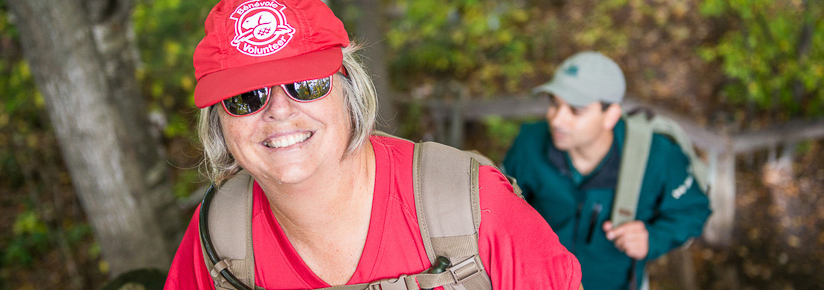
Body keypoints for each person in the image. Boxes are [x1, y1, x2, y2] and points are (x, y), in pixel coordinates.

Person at [164, 0, 582, 289]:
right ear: (218, 122)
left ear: (349, 89)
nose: (277, 111)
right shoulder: (219, 236)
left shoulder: (473, 208)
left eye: (305, 85)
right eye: (245, 97)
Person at [502, 51, 711, 290]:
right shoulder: (529, 142)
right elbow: (502, 206)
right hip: (534, 283)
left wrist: (652, 238)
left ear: (610, 115)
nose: (557, 119)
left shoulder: (657, 156)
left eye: (576, 110)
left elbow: (693, 210)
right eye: (554, 103)